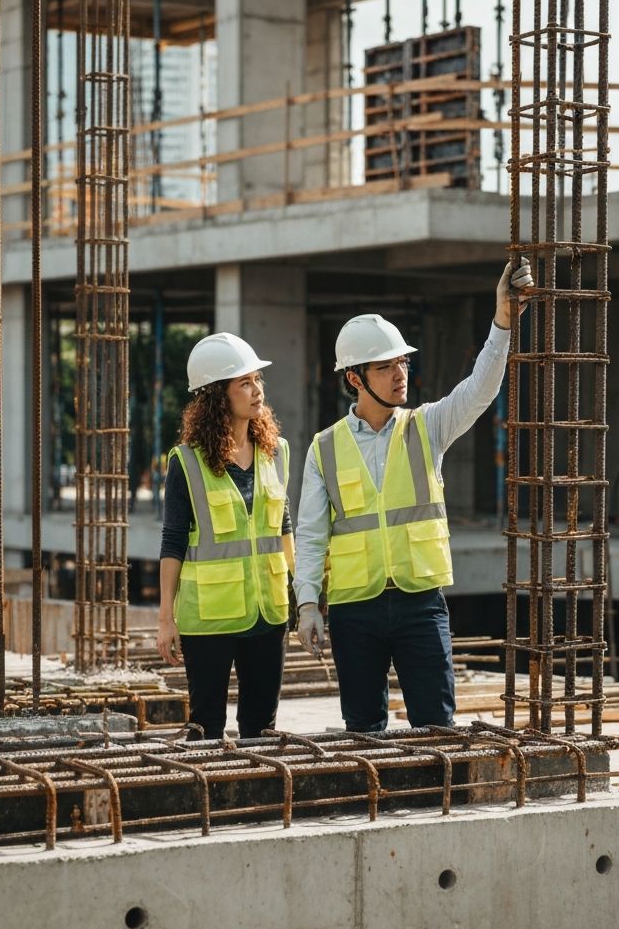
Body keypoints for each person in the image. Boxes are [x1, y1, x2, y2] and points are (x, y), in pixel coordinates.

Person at [293, 260, 534, 732]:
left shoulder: (426, 427)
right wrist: (306, 605)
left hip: (420, 603)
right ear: (355, 379)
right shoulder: (324, 448)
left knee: (437, 726)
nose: (400, 373)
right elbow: (311, 533)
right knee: (363, 730)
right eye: (385, 367)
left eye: (403, 362)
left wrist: (502, 321)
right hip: (353, 610)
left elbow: (480, 389)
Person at [157, 332, 294, 740]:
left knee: (261, 729)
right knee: (205, 729)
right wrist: (166, 618)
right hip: (209, 619)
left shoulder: (277, 453)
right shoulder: (187, 462)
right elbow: (173, 541)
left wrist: (302, 594)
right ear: (218, 395)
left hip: (269, 613)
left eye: (258, 381)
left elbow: (283, 530)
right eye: (245, 383)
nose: (257, 391)